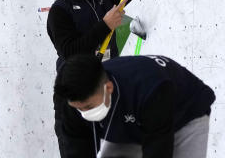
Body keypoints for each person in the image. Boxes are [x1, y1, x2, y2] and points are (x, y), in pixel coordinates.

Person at [44, 0, 171, 158]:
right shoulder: (61, 10)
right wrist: (105, 26)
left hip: (107, 89)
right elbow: (69, 52)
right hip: (76, 100)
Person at [54, 53, 215, 158]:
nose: (83, 113)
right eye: (78, 108)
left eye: (88, 107)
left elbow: (158, 150)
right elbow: (76, 149)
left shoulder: (151, 89)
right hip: (131, 120)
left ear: (108, 88)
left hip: (185, 114)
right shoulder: (73, 100)